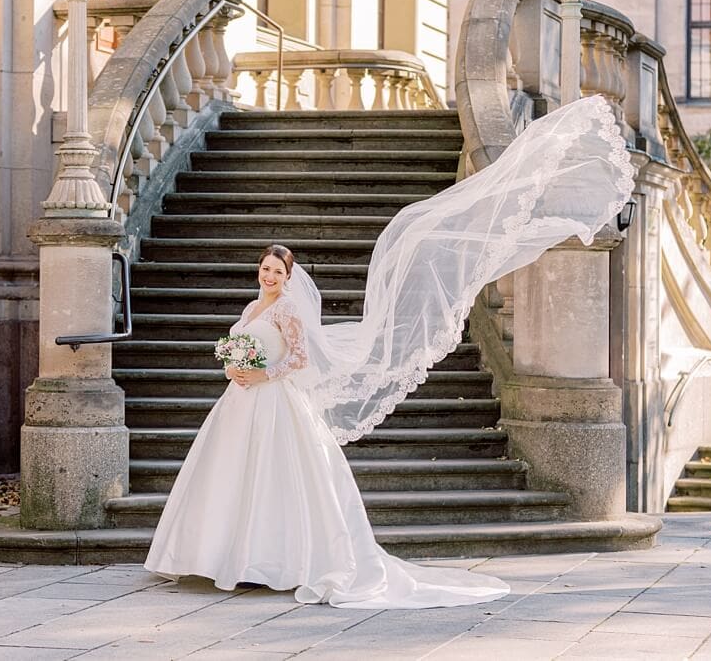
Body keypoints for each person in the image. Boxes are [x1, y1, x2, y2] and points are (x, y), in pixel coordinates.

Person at [143, 95, 635, 608]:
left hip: (275, 401)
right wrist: (233, 366)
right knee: (230, 479)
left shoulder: (288, 311)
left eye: (277, 271)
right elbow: (239, 347)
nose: (269, 276)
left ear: (289, 278)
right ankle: (219, 557)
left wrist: (261, 375)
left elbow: (299, 360)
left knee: (281, 481)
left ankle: (273, 561)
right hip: (240, 403)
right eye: (265, 269)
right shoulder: (250, 307)